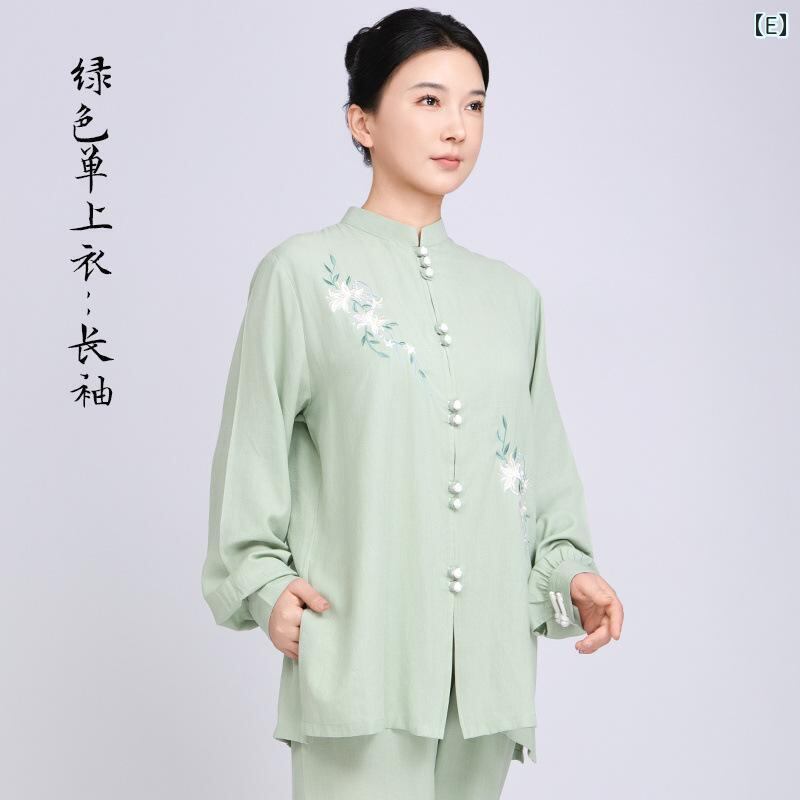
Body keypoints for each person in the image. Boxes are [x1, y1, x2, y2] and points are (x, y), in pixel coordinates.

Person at [201, 8, 624, 799]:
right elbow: (251, 449)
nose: (456, 126)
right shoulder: (301, 275)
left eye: (474, 104)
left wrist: (571, 577)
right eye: (429, 100)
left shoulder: (512, 298)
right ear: (361, 122)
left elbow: (540, 473)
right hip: (359, 663)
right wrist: (264, 585)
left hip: (488, 679)